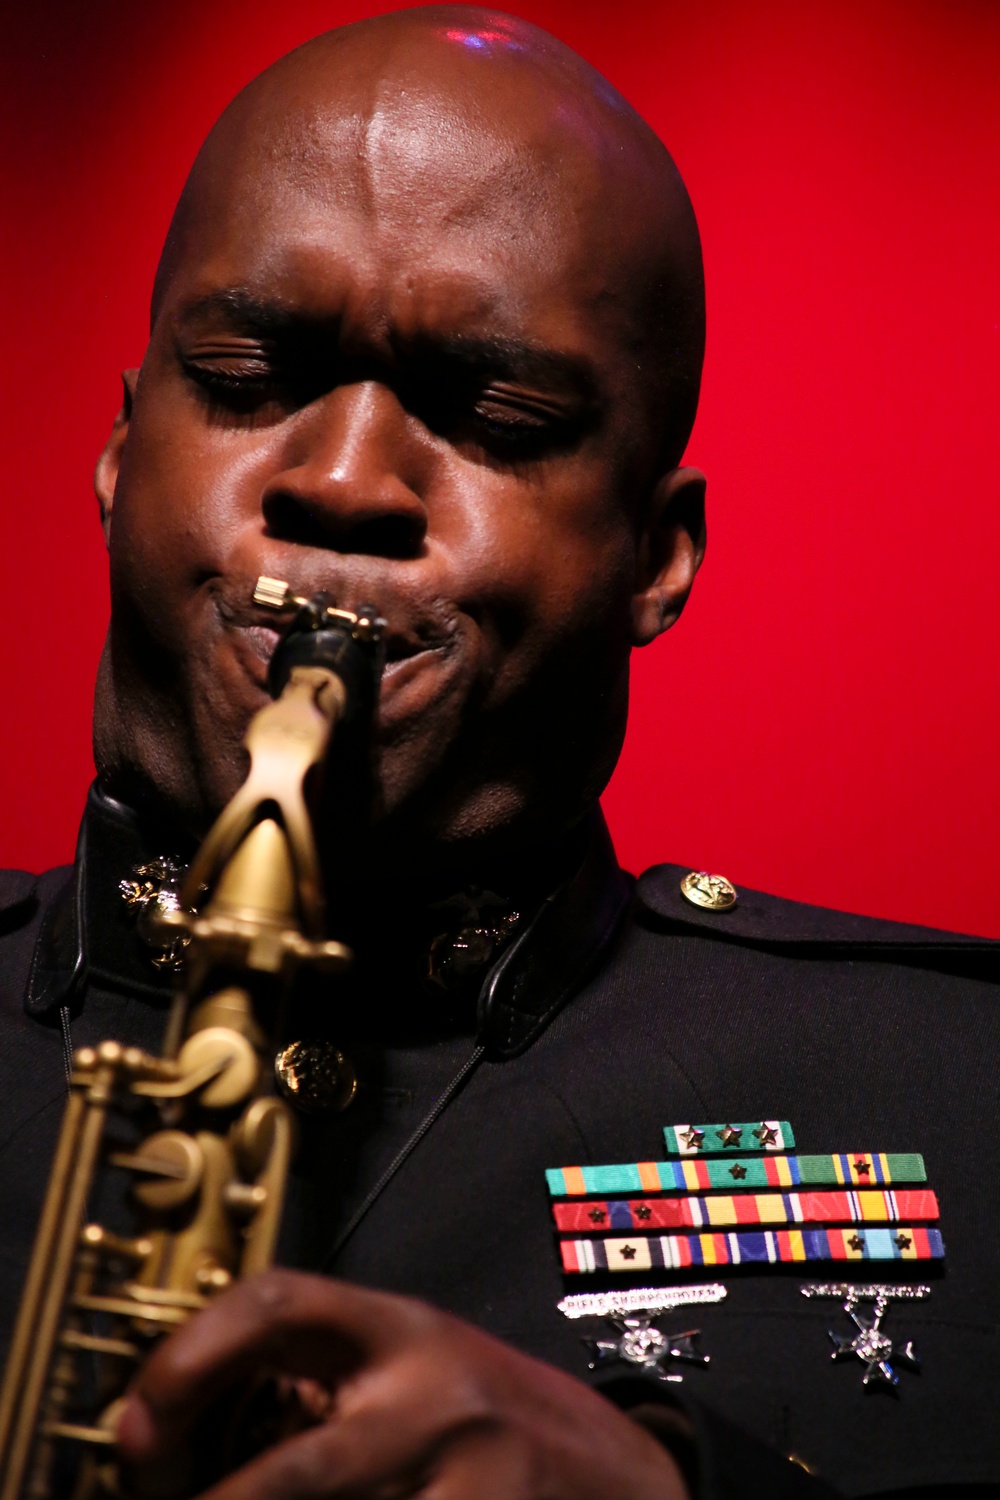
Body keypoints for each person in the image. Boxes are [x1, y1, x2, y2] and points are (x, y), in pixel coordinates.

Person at [0, 8, 996, 1497]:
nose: (339, 482)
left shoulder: (963, 1090)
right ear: (118, 454)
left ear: (659, 558)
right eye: (251, 376)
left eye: (493, 412)